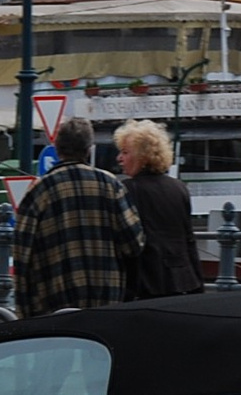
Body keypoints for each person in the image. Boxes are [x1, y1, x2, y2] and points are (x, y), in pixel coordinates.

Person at [13, 117, 145, 316]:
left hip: (54, 303)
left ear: (57, 149)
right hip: (106, 301)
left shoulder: (39, 191)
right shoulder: (111, 185)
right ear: (89, 149)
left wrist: (23, 313)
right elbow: (134, 244)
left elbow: (22, 256)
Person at [113, 118, 204, 299]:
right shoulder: (179, 187)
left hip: (147, 282)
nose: (119, 159)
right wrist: (198, 282)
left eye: (125, 152)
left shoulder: (128, 189)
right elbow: (188, 240)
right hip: (183, 279)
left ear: (142, 156)